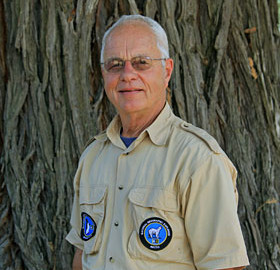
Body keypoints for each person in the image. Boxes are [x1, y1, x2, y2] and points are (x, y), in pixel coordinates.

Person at [66, 15, 249, 270]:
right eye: (115, 64)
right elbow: (81, 254)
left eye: (141, 63)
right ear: (104, 74)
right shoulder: (93, 157)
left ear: (167, 70)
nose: (127, 75)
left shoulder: (197, 160)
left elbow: (225, 266)